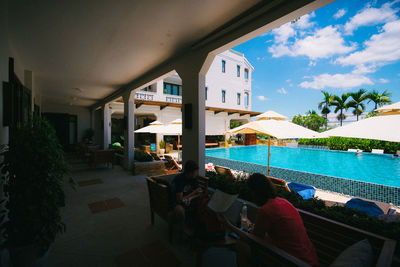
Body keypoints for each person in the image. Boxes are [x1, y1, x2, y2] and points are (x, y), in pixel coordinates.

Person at [220, 173, 319, 267]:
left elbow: (252, 240)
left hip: (292, 261)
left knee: (241, 244)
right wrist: (251, 227)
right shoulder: (283, 202)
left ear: (255, 193)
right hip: (309, 259)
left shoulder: (266, 210)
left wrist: (228, 225)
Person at [172, 160, 203, 226]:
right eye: (195, 172)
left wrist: (190, 198)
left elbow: (199, 192)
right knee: (179, 210)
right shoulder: (179, 180)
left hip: (188, 200)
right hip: (177, 202)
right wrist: (194, 192)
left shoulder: (194, 179)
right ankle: (182, 229)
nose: (197, 173)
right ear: (190, 172)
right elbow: (180, 200)